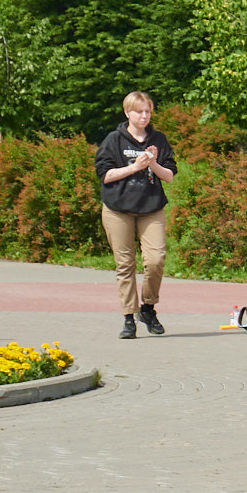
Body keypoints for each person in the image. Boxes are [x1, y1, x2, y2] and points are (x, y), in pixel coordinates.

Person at [93, 92, 178, 340]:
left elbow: (170, 175)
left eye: (147, 111)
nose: (144, 116)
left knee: (155, 260)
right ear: (127, 113)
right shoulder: (114, 140)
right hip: (117, 208)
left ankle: (148, 309)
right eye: (139, 111)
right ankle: (129, 318)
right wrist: (134, 167)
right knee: (125, 264)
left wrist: (152, 163)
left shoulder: (158, 140)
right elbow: (105, 175)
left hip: (151, 207)